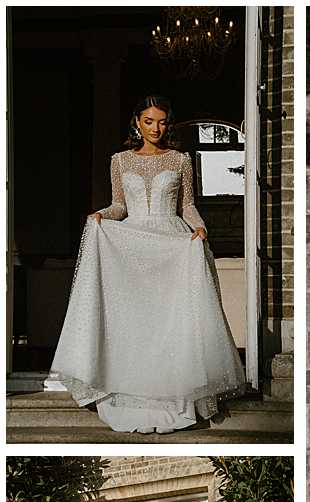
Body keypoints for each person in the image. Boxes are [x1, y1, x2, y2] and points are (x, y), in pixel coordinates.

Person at [49, 95, 245, 435]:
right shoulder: (120, 161)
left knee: (171, 321)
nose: (157, 128)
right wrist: (100, 215)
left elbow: (188, 206)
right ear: (136, 123)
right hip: (133, 247)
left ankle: (175, 396)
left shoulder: (181, 159)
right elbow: (118, 206)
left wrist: (200, 228)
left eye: (163, 121)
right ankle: (129, 393)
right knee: (136, 324)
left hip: (171, 244)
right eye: (149, 121)